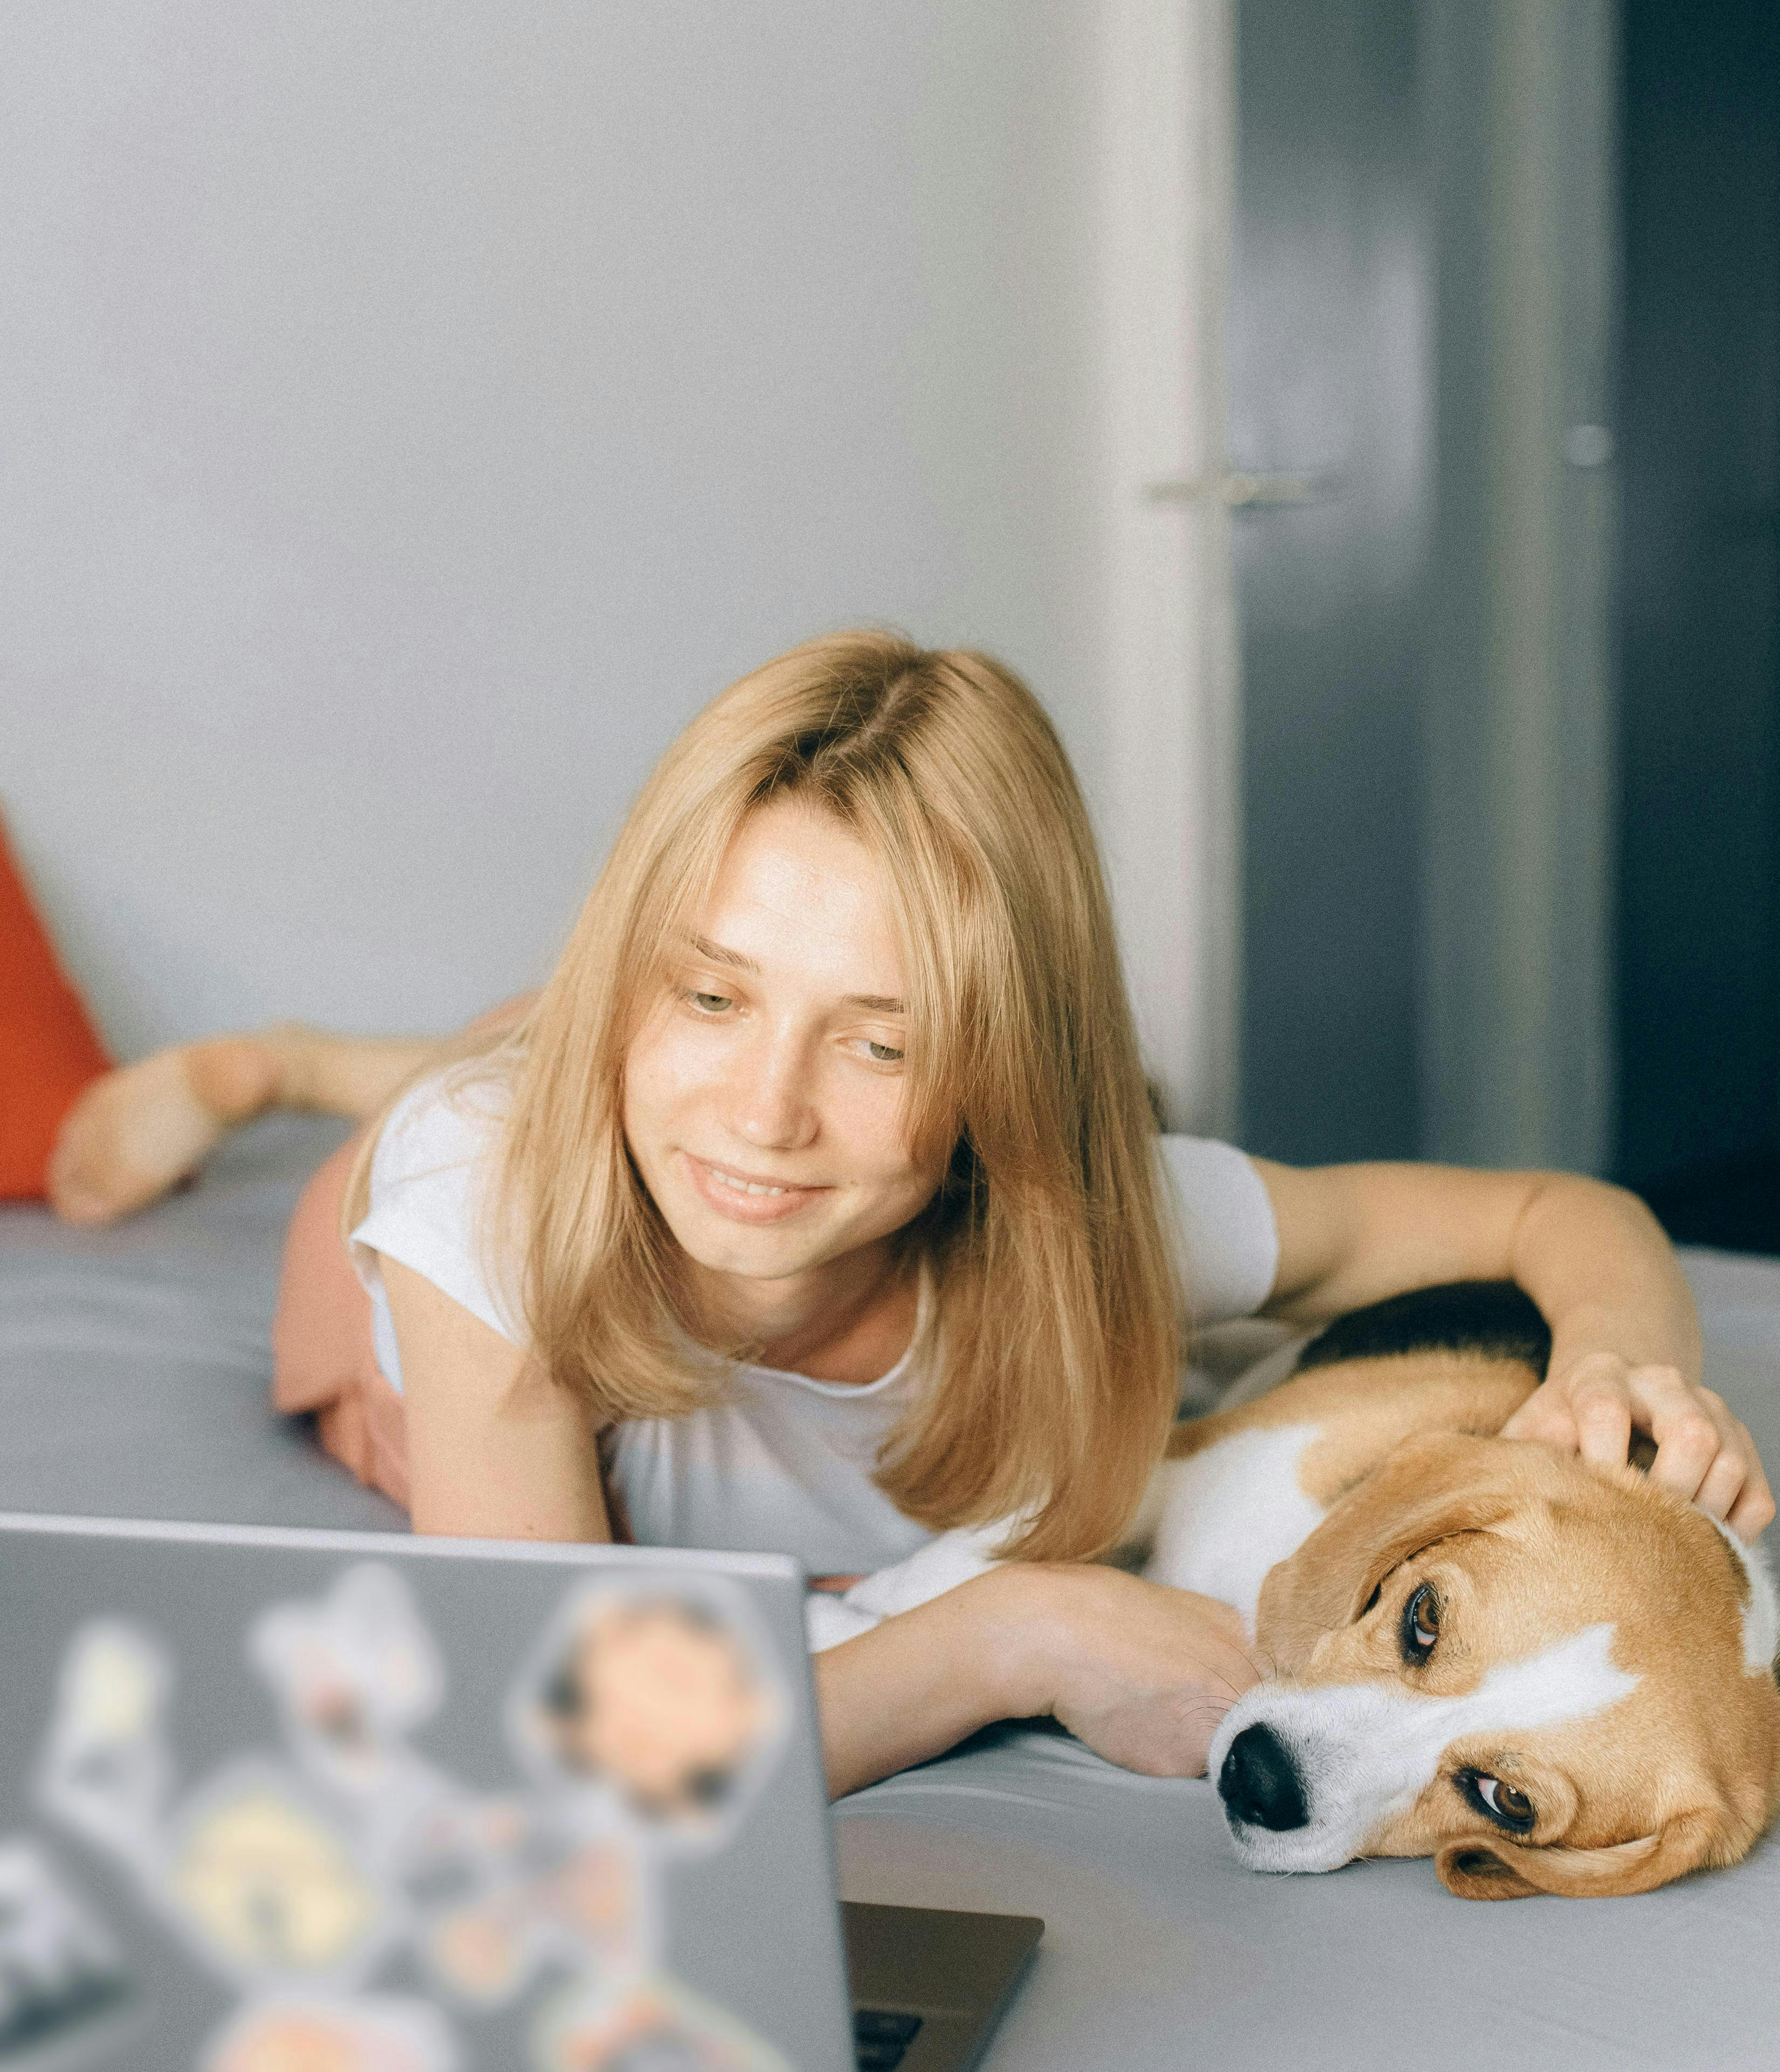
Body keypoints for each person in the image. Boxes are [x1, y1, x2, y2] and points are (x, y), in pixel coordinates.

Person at [50, 632, 1774, 1799]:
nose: (777, 1109)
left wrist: (1630, 1358)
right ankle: (268, 1070)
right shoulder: (479, 1212)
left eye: (886, 1041)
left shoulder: (1108, 1227)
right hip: (427, 1204)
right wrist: (1026, 1627)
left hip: (642, 1102)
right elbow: (566, 1757)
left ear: (1003, 1078)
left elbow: (1562, 1209)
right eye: (706, 988)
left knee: (674, 1087)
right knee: (507, 1087)